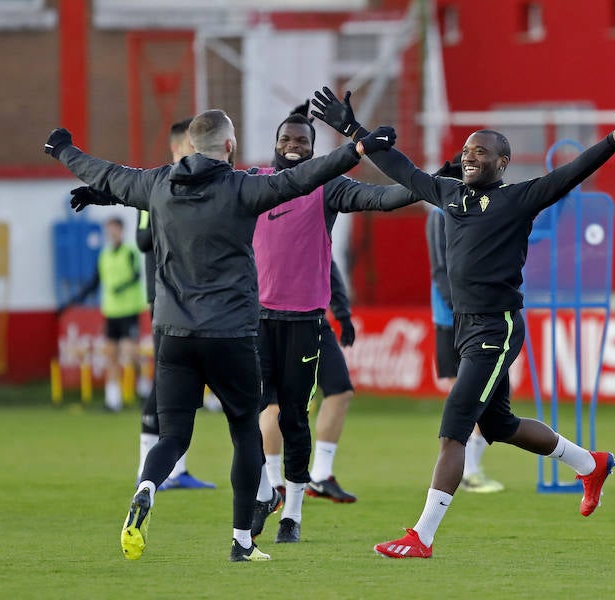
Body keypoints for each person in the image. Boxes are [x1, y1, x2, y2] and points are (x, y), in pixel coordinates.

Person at [311, 88, 615, 558]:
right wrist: (353, 131)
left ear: (503, 162)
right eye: (467, 150)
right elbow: (403, 170)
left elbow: (571, 173)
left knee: (454, 427)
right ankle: (591, 463)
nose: (470, 156)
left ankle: (422, 536)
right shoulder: (449, 195)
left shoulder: (519, 199)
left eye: (482, 151)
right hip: (465, 327)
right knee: (498, 425)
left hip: (495, 331)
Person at [44, 108, 396, 562]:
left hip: (173, 334)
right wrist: (357, 148)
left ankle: (147, 485)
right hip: (230, 333)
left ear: (190, 145)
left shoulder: (157, 184)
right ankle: (242, 542)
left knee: (173, 436)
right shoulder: (244, 188)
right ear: (229, 146)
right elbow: (301, 179)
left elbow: (110, 174)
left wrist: (63, 150)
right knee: (246, 432)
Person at [248, 106, 416, 544]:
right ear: (275, 141)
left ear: (313, 149)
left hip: (305, 321)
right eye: (287, 138)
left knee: (296, 419)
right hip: (255, 320)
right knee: (256, 412)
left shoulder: (327, 186)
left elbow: (380, 199)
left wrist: (428, 185)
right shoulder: (252, 181)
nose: (293, 145)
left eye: (302, 141)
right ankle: (268, 492)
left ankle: (294, 515)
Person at [135, 117, 215, 491]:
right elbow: (140, 239)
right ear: (177, 146)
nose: (196, 148)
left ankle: (177, 470)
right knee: (164, 381)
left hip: (192, 299)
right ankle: (146, 469)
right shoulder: (159, 182)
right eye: (190, 142)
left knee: (187, 382)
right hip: (164, 297)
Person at [426, 176, 504, 494]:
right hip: (453, 318)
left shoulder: (490, 208)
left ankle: (470, 467)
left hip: (482, 316)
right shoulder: (440, 212)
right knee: (466, 396)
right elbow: (439, 267)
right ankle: (469, 469)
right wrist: (459, 307)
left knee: (484, 397)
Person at [260, 260, 358, 506]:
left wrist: (342, 312)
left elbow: (326, 262)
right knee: (275, 402)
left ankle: (321, 475)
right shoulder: (259, 220)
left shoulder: (313, 223)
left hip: (311, 316)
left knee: (340, 389)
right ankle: (274, 483)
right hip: (269, 315)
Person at [64, 216, 146, 412]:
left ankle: (144, 388)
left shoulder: (130, 252)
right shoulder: (104, 255)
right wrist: (76, 299)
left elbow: (136, 275)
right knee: (112, 356)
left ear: (121, 230)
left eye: (114, 229)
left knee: (130, 352)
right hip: (111, 311)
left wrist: (121, 287)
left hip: (129, 309)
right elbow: (95, 281)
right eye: (109, 229)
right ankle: (113, 400)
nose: (111, 233)